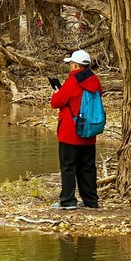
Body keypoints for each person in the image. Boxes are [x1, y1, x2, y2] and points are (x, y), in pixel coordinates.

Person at [49, 49, 102, 210]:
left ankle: (68, 200)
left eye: (71, 63)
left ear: (74, 65)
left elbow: (56, 102)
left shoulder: (72, 83)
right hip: (89, 132)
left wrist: (56, 91)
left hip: (70, 133)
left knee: (68, 167)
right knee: (87, 167)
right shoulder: (95, 81)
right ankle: (91, 201)